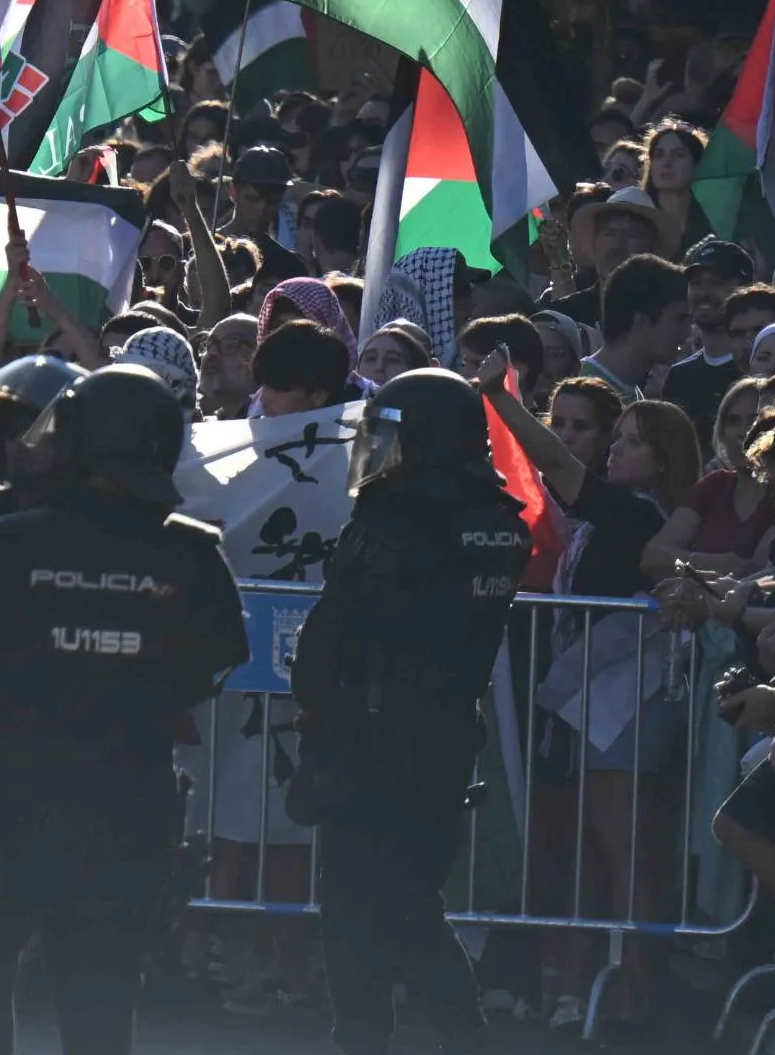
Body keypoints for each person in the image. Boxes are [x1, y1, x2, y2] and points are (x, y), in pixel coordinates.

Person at [0, 366, 245, 1054]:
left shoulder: (11, 541)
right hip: (132, 792)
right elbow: (208, 668)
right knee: (99, 993)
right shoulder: (190, 552)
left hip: (14, 786)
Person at [291, 367, 532, 1055]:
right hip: (447, 735)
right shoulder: (498, 526)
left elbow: (335, 632)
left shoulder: (393, 525)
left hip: (372, 735)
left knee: (356, 906)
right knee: (411, 899)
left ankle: (368, 1039)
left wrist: (317, 704)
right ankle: (462, 1034)